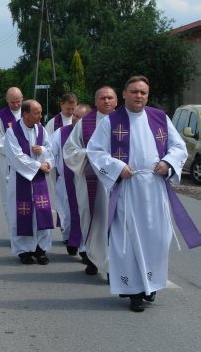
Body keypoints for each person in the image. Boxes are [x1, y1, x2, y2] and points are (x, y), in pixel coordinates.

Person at [86, 75, 194, 312]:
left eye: (143, 92)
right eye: (134, 91)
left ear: (148, 94)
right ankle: (134, 291)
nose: (139, 96)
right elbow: (95, 151)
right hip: (127, 188)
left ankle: (150, 284)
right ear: (124, 94)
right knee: (129, 240)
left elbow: (178, 147)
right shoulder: (112, 121)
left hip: (155, 188)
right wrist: (117, 167)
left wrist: (168, 162)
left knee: (157, 238)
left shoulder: (159, 117)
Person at [63, 86, 117, 276]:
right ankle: (94, 258)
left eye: (110, 97)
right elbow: (69, 150)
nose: (107, 101)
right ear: (96, 102)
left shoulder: (125, 122)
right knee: (92, 220)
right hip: (91, 181)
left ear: (117, 101)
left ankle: (114, 266)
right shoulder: (85, 123)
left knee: (116, 223)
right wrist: (90, 155)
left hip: (118, 182)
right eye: (102, 98)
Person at [3, 100, 55, 265]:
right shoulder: (12, 132)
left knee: (42, 213)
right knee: (21, 215)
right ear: (25, 113)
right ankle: (24, 251)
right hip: (21, 181)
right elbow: (16, 157)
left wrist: (48, 162)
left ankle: (41, 249)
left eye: (40, 112)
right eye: (37, 112)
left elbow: (50, 149)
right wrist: (39, 165)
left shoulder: (41, 130)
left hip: (39, 181)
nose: (41, 115)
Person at [49, 103, 91, 257]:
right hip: (65, 182)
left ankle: (85, 249)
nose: (75, 119)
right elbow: (50, 153)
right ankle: (69, 239)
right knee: (66, 214)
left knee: (84, 214)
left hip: (87, 183)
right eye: (74, 115)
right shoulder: (60, 133)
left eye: (79, 117)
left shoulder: (94, 133)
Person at [0, 87, 23, 212]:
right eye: (12, 102)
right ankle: (13, 230)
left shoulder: (28, 112)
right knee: (8, 199)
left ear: (22, 99)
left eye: (18, 101)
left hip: (26, 161)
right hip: (6, 161)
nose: (15, 105)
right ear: (7, 100)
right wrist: (15, 143)